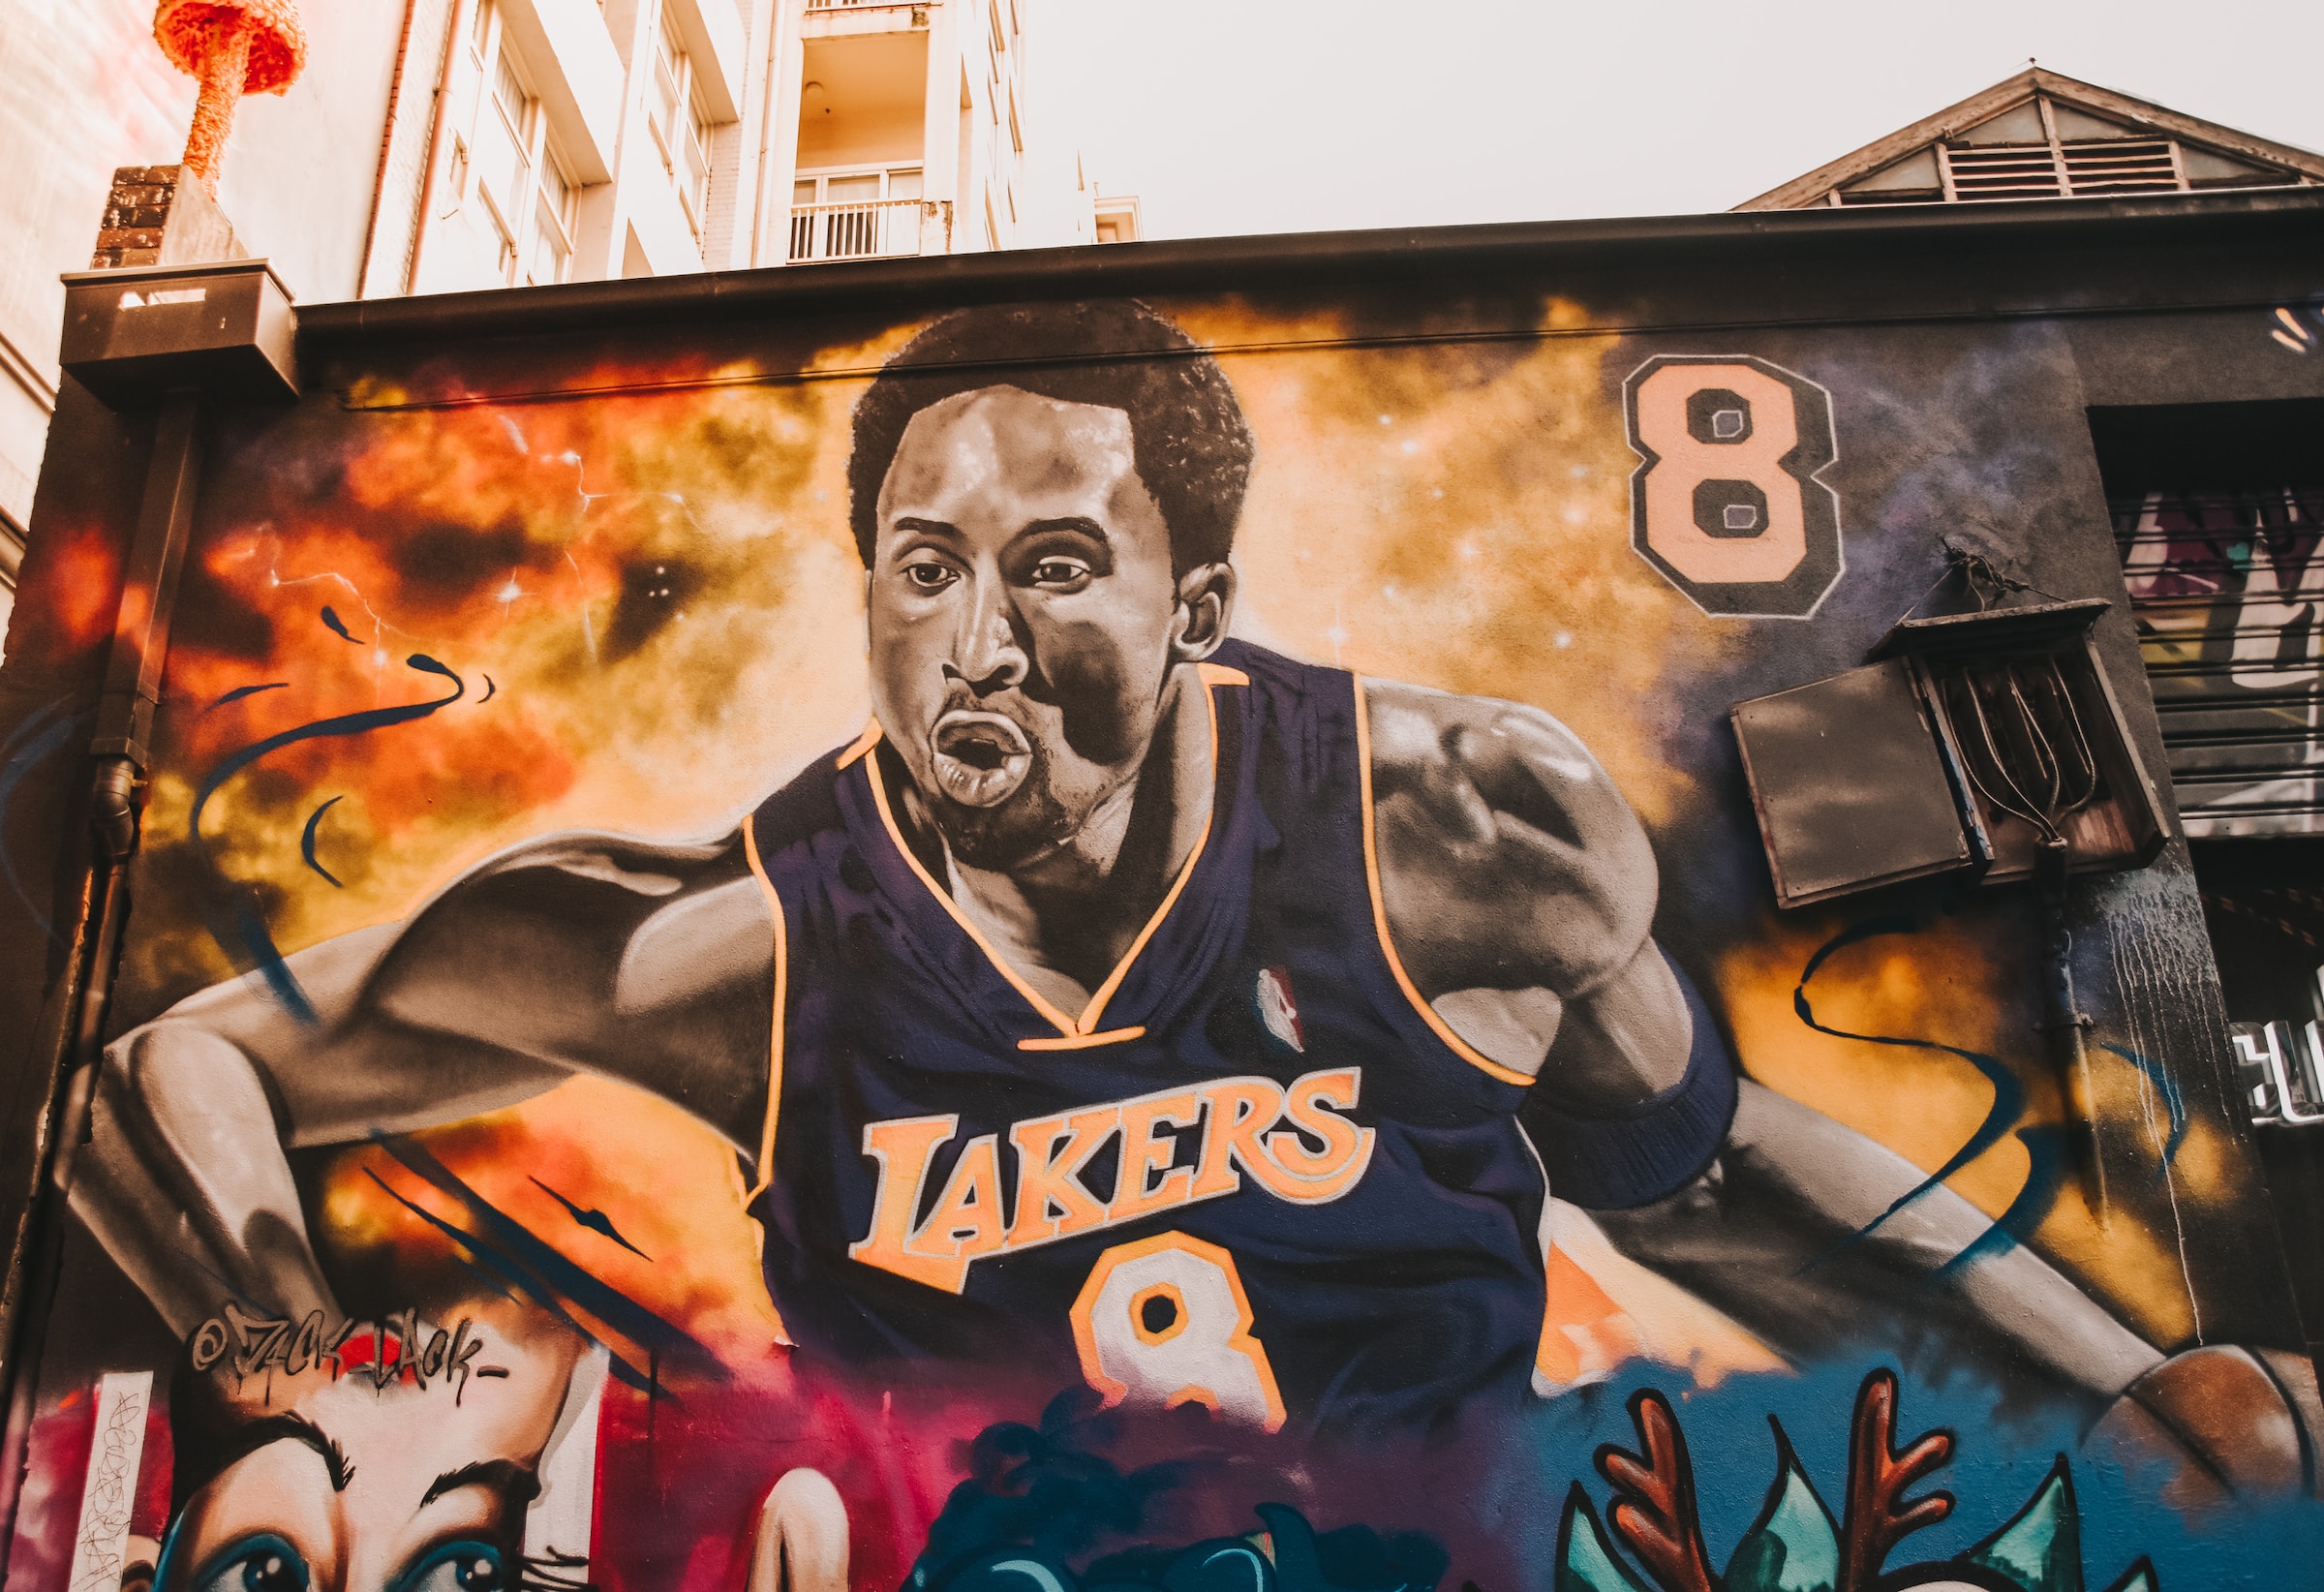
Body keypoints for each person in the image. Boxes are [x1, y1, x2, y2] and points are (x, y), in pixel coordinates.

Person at [70, 301, 2236, 1447]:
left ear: (1198, 608)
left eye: (1052, 569)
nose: (975, 645)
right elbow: (172, 1070)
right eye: (924, 570)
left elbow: (1714, 1174)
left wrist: (2128, 1387)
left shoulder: (1453, 830)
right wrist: (298, 1380)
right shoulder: (736, 946)